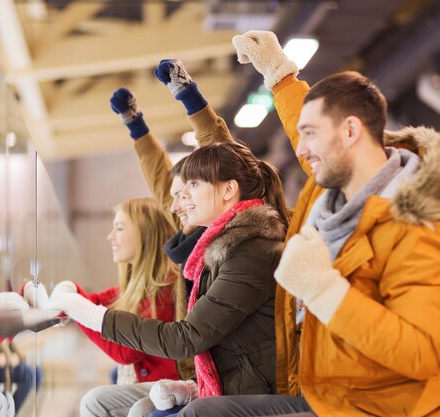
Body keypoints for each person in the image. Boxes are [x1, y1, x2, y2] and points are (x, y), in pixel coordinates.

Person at [176, 30, 440, 417]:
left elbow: (423, 354)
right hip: (323, 392)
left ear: (350, 132)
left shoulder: (414, 227)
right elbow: (310, 126)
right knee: (203, 411)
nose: (299, 148)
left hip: (377, 407)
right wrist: (280, 76)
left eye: (310, 136)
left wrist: (323, 290)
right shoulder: (333, 196)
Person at [49, 139, 289, 416]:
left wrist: (87, 313)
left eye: (194, 185)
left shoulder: (250, 254)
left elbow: (186, 339)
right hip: (233, 387)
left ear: (228, 189)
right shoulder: (223, 252)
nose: (182, 198)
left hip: (258, 394)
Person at [31, 198, 184, 417]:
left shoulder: (166, 289)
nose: (110, 236)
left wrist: (72, 305)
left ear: (145, 234)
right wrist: (68, 290)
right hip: (152, 386)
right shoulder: (135, 287)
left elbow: (125, 352)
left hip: (170, 390)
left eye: (119, 228)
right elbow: (93, 301)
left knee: (95, 402)